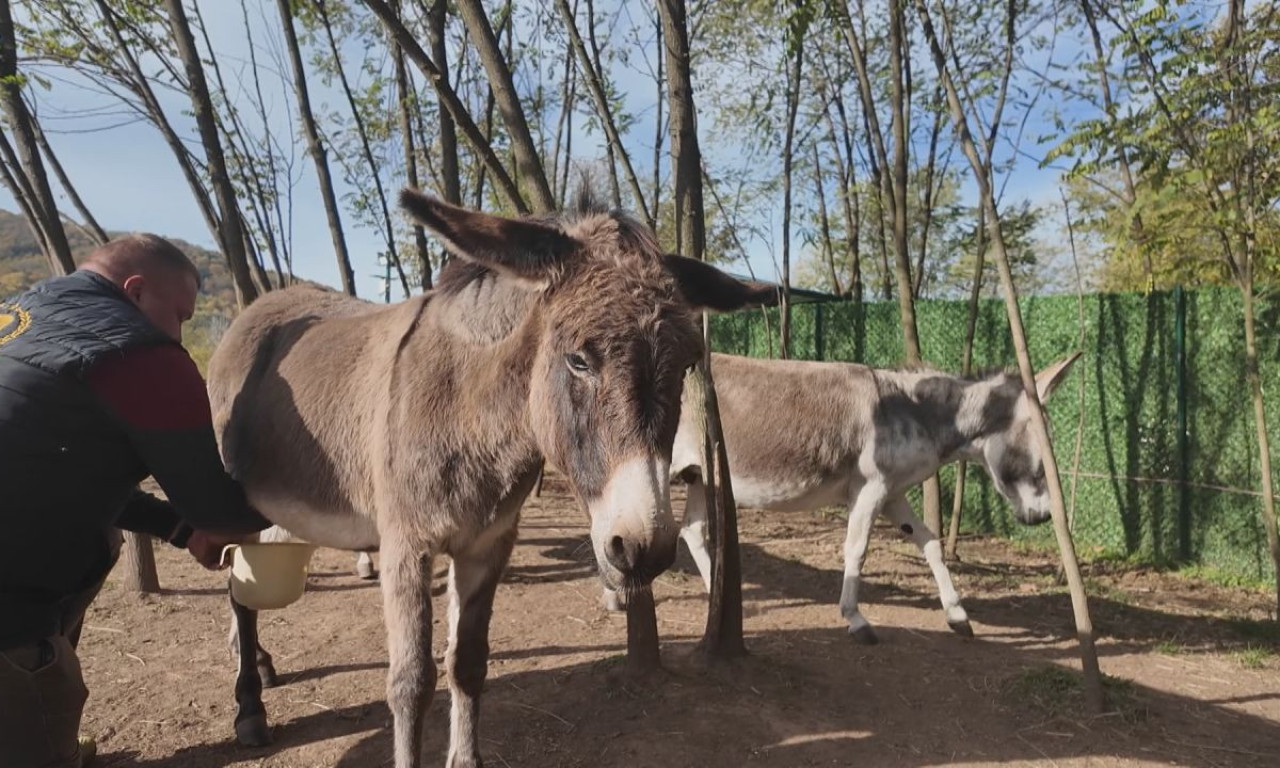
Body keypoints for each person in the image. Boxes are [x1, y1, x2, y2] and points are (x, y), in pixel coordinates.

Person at [0, 234, 272, 768]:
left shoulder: (19, 316)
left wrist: (180, 529)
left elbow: (57, 471)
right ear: (138, 290)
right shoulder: (138, 351)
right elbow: (220, 512)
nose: (179, 333)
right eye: (181, 316)